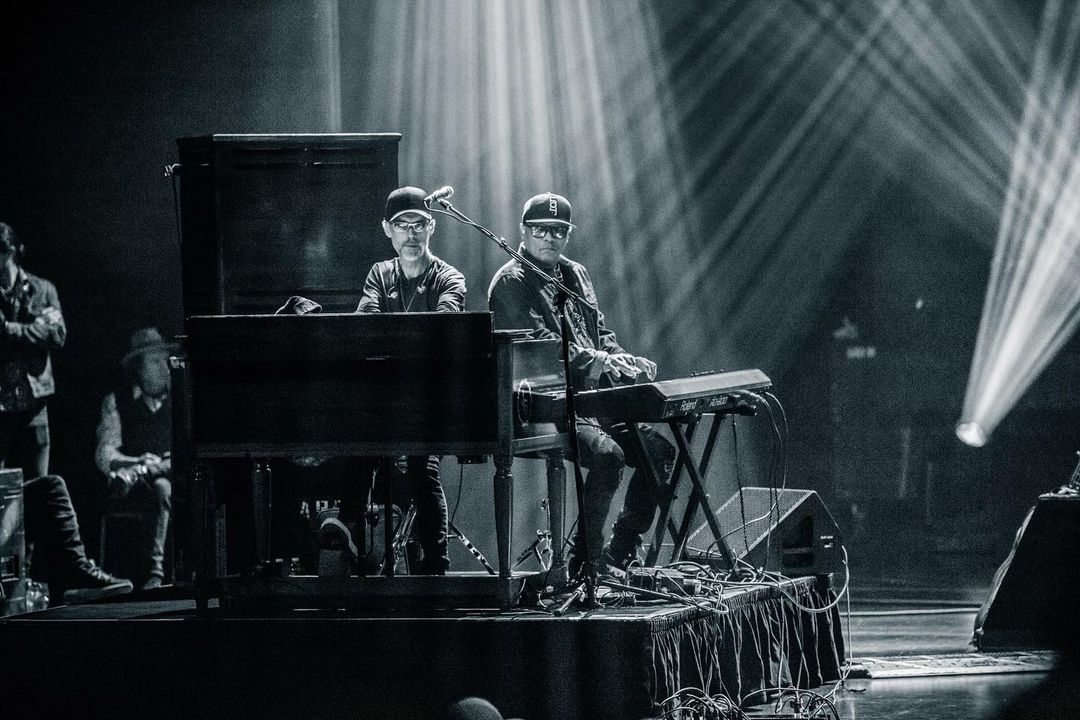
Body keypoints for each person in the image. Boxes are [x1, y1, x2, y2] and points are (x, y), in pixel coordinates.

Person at [486, 193, 675, 577]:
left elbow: (599, 333)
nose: (549, 238)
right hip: (542, 407)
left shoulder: (575, 274)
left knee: (660, 453)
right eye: (541, 229)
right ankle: (584, 564)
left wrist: (624, 359)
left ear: (568, 235)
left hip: (593, 400)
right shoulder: (511, 282)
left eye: (558, 231)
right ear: (523, 230)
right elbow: (538, 349)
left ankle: (619, 551)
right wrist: (601, 360)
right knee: (609, 457)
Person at [322, 186, 466, 575]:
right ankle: (350, 528)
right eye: (403, 225)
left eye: (418, 224)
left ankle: (436, 565)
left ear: (432, 227)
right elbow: (366, 327)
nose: (411, 233)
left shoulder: (449, 278)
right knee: (359, 443)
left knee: (422, 468)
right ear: (388, 229)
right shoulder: (379, 273)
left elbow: (440, 332)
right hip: (386, 400)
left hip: (431, 401)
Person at [0, 222, 131, 602]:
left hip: (33, 407)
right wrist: (31, 329)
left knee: (38, 494)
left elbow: (56, 335)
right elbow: (39, 333)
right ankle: (11, 585)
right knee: (6, 495)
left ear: (12, 252)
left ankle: (29, 584)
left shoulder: (41, 289)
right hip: (1, 409)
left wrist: (10, 330)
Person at [95, 327, 175, 589]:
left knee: (163, 486)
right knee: (155, 487)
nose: (164, 368)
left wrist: (152, 467)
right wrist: (135, 463)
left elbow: (185, 450)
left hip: (175, 479)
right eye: (155, 361)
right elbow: (105, 451)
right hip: (133, 487)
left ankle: (155, 573)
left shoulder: (180, 400)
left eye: (165, 360)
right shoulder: (117, 401)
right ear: (139, 369)